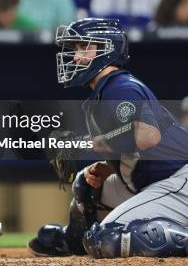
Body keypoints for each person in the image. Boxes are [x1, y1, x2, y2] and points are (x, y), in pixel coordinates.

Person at [28, 17, 188, 259]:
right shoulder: (102, 94)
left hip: (180, 180)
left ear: (107, 49)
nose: (75, 57)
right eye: (75, 49)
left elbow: (148, 136)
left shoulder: (120, 86)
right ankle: (74, 241)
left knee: (110, 238)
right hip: (158, 180)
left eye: (84, 48)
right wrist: (110, 166)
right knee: (87, 184)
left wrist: (89, 143)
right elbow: (133, 147)